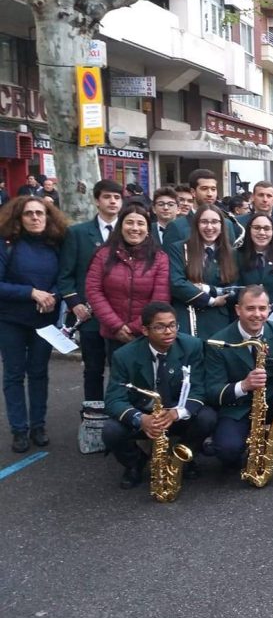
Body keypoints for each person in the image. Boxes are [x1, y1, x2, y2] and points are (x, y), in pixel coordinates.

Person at [102, 302, 213, 489]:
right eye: (160, 327)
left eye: (172, 325)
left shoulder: (192, 346)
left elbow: (199, 388)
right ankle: (135, 462)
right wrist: (140, 419)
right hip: (145, 414)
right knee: (110, 430)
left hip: (176, 413)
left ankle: (183, 457)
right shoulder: (124, 356)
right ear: (145, 330)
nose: (168, 331)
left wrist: (178, 412)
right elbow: (114, 399)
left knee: (207, 418)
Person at [206, 285, 273, 478]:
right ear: (238, 310)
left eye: (262, 308)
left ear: (269, 309)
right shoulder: (218, 342)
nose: (257, 314)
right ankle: (242, 452)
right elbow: (212, 391)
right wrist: (243, 386)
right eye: (250, 308)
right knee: (227, 451)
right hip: (237, 406)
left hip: (271, 399)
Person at [0, 196, 67, 452]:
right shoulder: (6, 245)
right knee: (14, 375)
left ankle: (38, 425)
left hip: (44, 321)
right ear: (19, 218)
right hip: (11, 320)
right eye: (29, 214)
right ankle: (19, 429)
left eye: (40, 213)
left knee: (39, 373)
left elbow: (64, 277)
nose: (36, 218)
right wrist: (31, 293)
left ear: (48, 216)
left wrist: (52, 295)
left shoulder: (56, 243)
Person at [58, 179, 124, 402]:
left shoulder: (132, 232)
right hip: (89, 316)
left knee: (122, 371)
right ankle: (92, 420)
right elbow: (66, 275)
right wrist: (75, 303)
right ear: (97, 200)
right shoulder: (77, 233)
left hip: (121, 315)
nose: (112, 201)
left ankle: (120, 418)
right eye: (107, 197)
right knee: (93, 370)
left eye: (117, 197)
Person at [85, 203, 170, 360]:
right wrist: (118, 326)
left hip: (148, 332)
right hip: (114, 333)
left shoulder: (159, 258)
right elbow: (93, 290)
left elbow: (160, 297)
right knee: (118, 380)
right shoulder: (103, 255)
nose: (135, 228)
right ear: (121, 225)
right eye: (129, 222)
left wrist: (135, 327)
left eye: (141, 223)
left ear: (148, 229)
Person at [168, 204, 239, 339]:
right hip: (187, 318)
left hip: (220, 322)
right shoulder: (179, 249)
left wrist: (206, 288)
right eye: (204, 222)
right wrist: (211, 301)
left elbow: (234, 289)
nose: (209, 227)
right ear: (196, 225)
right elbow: (176, 283)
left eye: (214, 222)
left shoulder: (232, 254)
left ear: (222, 226)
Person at [163, 170, 221, 248]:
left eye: (213, 189)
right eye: (204, 189)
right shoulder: (176, 226)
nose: (210, 194)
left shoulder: (227, 224)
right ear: (193, 192)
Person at [237, 181, 273, 248]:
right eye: (261, 195)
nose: (265, 200)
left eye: (269, 196)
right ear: (253, 197)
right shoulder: (237, 223)